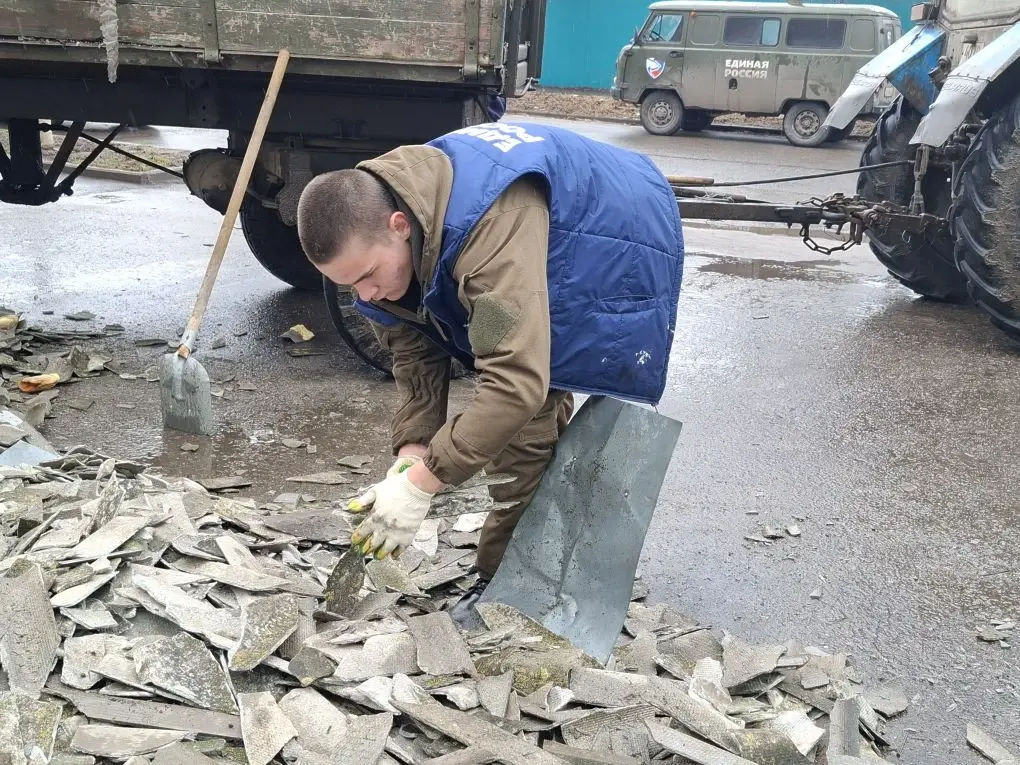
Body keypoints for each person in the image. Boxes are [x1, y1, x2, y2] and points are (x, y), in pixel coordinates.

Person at [297, 121, 684, 619]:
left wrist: (425, 482)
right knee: (519, 389)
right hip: (529, 228)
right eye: (349, 284)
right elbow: (415, 354)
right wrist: (412, 452)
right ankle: (539, 537)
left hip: (610, 233)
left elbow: (515, 382)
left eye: (369, 275)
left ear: (399, 225)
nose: (365, 295)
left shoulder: (487, 231)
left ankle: (507, 583)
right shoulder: (390, 230)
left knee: (529, 409)